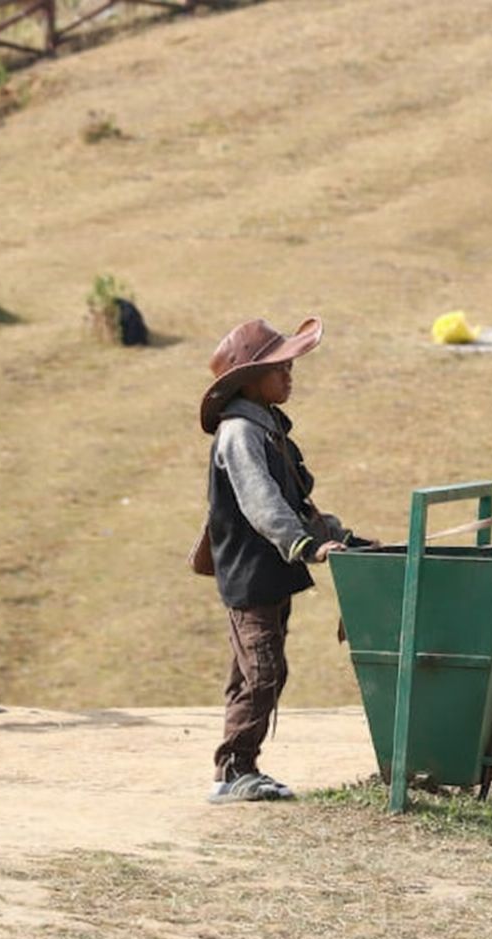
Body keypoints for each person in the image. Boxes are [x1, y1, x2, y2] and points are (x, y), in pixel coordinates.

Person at [199, 316, 370, 803]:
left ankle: (241, 766)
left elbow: (294, 501)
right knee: (264, 670)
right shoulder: (240, 433)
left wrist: (338, 536)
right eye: (280, 369)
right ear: (250, 380)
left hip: (270, 573)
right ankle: (233, 772)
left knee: (254, 671)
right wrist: (305, 546)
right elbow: (262, 503)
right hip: (251, 574)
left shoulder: (268, 428)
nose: (290, 376)